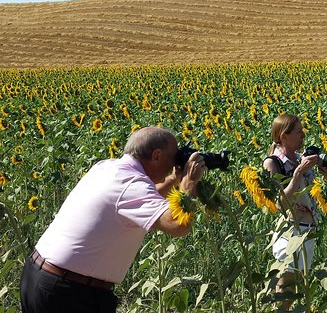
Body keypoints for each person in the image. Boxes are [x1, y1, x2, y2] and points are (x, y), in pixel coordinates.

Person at [20, 126, 206, 313]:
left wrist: (174, 178)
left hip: (39, 277)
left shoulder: (106, 167)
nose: (174, 163)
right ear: (156, 155)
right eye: (173, 157)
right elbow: (178, 225)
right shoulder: (132, 185)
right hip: (68, 294)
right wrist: (188, 183)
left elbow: (140, 202)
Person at [262, 114, 327, 309]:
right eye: (299, 132)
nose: (303, 135)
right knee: (285, 289)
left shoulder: (300, 158)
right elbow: (279, 204)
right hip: (290, 231)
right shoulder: (272, 163)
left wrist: (326, 178)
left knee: (299, 286)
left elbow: (311, 194)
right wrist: (298, 173)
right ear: (284, 136)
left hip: (307, 229)